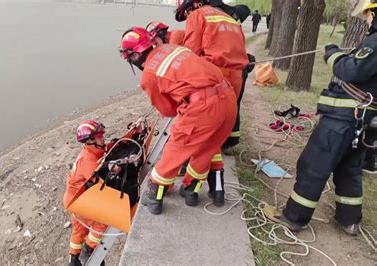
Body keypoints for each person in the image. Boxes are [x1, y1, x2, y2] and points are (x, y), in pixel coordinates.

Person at [264, 0, 377, 236]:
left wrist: (333, 55)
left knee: (314, 165)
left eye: (368, 13)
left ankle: (294, 217)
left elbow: (353, 71)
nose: (367, 18)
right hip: (364, 122)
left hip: (343, 119)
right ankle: (349, 220)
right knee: (349, 168)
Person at [119, 27, 237, 214]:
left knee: (178, 146)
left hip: (203, 107)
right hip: (228, 98)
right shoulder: (173, 48)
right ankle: (191, 191)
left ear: (133, 56)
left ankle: (155, 193)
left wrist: (182, 104)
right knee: (209, 147)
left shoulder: (149, 75)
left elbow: (168, 110)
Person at [175, 0, 249, 206]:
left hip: (213, 76)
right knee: (215, 134)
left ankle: (191, 184)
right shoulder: (229, 18)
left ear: (192, 6)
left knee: (201, 131)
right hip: (236, 78)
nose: (187, 15)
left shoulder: (198, 16)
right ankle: (217, 188)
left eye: (186, 12)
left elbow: (190, 54)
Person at [63, 120, 109, 265]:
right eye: (100, 135)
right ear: (90, 141)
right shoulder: (88, 161)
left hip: (73, 198)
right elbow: (103, 183)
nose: (103, 137)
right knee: (103, 221)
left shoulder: (90, 152)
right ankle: (89, 250)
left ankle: (74, 260)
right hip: (78, 201)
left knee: (79, 229)